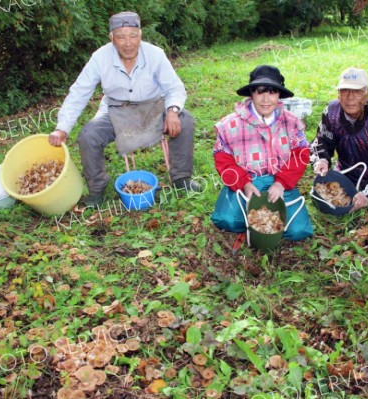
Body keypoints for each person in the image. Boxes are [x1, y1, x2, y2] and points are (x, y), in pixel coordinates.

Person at [48, 11, 202, 207]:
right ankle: (96, 189)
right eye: (121, 36)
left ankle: (181, 179)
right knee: (88, 135)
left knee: (185, 119)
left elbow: (174, 87)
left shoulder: (155, 54)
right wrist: (62, 128)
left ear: (141, 35)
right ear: (111, 38)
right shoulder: (100, 57)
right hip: (115, 110)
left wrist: (172, 110)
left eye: (133, 35)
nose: (128, 43)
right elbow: (79, 92)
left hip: (153, 107)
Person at [211, 65, 313, 242]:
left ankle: (264, 222)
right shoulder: (230, 125)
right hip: (246, 183)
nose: (266, 99)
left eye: (272, 92)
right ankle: (252, 221)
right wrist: (244, 183)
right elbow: (223, 160)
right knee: (226, 220)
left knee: (299, 231)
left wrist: (281, 183)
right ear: (251, 93)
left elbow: (300, 155)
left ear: (279, 95)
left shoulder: (291, 122)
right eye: (260, 92)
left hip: (279, 183)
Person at [311, 67, 368, 212]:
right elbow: (321, 142)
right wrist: (321, 159)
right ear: (338, 94)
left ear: (367, 93)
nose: (350, 97)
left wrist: (367, 193)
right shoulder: (331, 112)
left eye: (357, 91)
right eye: (344, 90)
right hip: (346, 175)